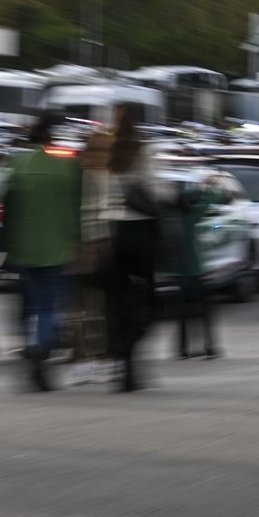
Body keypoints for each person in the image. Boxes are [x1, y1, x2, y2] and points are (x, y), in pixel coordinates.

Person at [3, 112, 82, 391]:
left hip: (24, 246)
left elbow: (8, 207)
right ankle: (41, 350)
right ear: (53, 137)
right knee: (50, 305)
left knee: (31, 304)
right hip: (57, 245)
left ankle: (31, 346)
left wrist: (7, 245)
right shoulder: (67, 167)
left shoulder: (18, 164)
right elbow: (76, 209)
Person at [104, 103, 164, 392]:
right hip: (139, 232)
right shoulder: (142, 152)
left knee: (116, 302)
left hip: (110, 233)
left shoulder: (105, 152)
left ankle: (121, 359)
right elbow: (155, 190)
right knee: (147, 301)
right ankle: (130, 354)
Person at [68, 129, 116, 385]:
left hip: (79, 247)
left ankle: (85, 361)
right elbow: (106, 215)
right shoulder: (106, 177)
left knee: (81, 309)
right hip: (99, 247)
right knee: (97, 309)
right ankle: (96, 359)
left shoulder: (79, 174)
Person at [174, 172, 225, 360]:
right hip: (196, 270)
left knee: (183, 312)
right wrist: (208, 186)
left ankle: (183, 349)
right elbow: (215, 197)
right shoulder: (192, 215)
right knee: (205, 310)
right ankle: (210, 346)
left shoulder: (172, 215)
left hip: (179, 270)